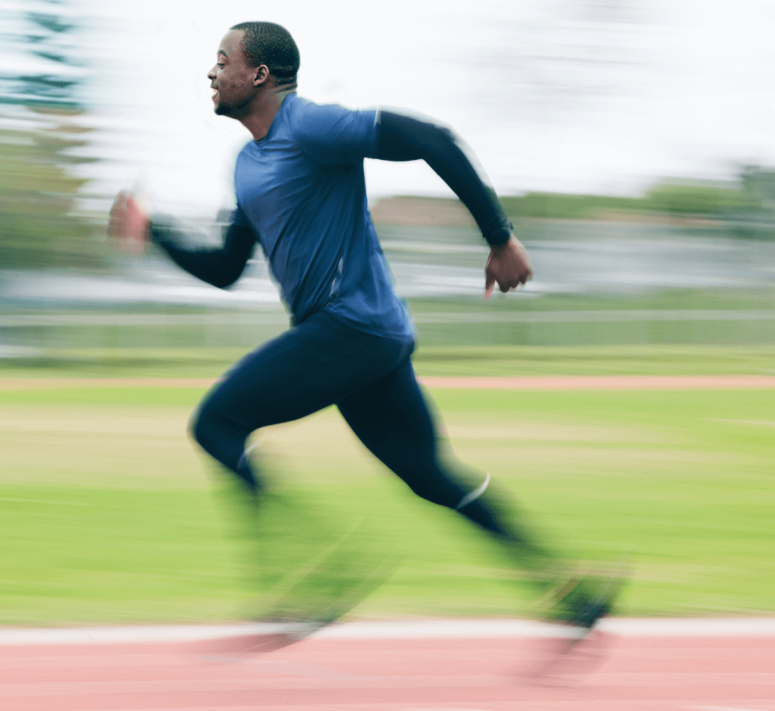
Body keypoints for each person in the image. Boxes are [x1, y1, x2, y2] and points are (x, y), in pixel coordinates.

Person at [109, 21, 621, 641]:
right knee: (431, 476)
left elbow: (434, 138)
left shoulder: (313, 126)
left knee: (215, 423)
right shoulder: (247, 165)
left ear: (260, 75)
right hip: (364, 338)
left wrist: (499, 236)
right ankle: (571, 591)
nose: (212, 73)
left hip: (350, 327)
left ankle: (316, 574)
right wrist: (155, 228)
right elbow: (223, 268)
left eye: (223, 61)